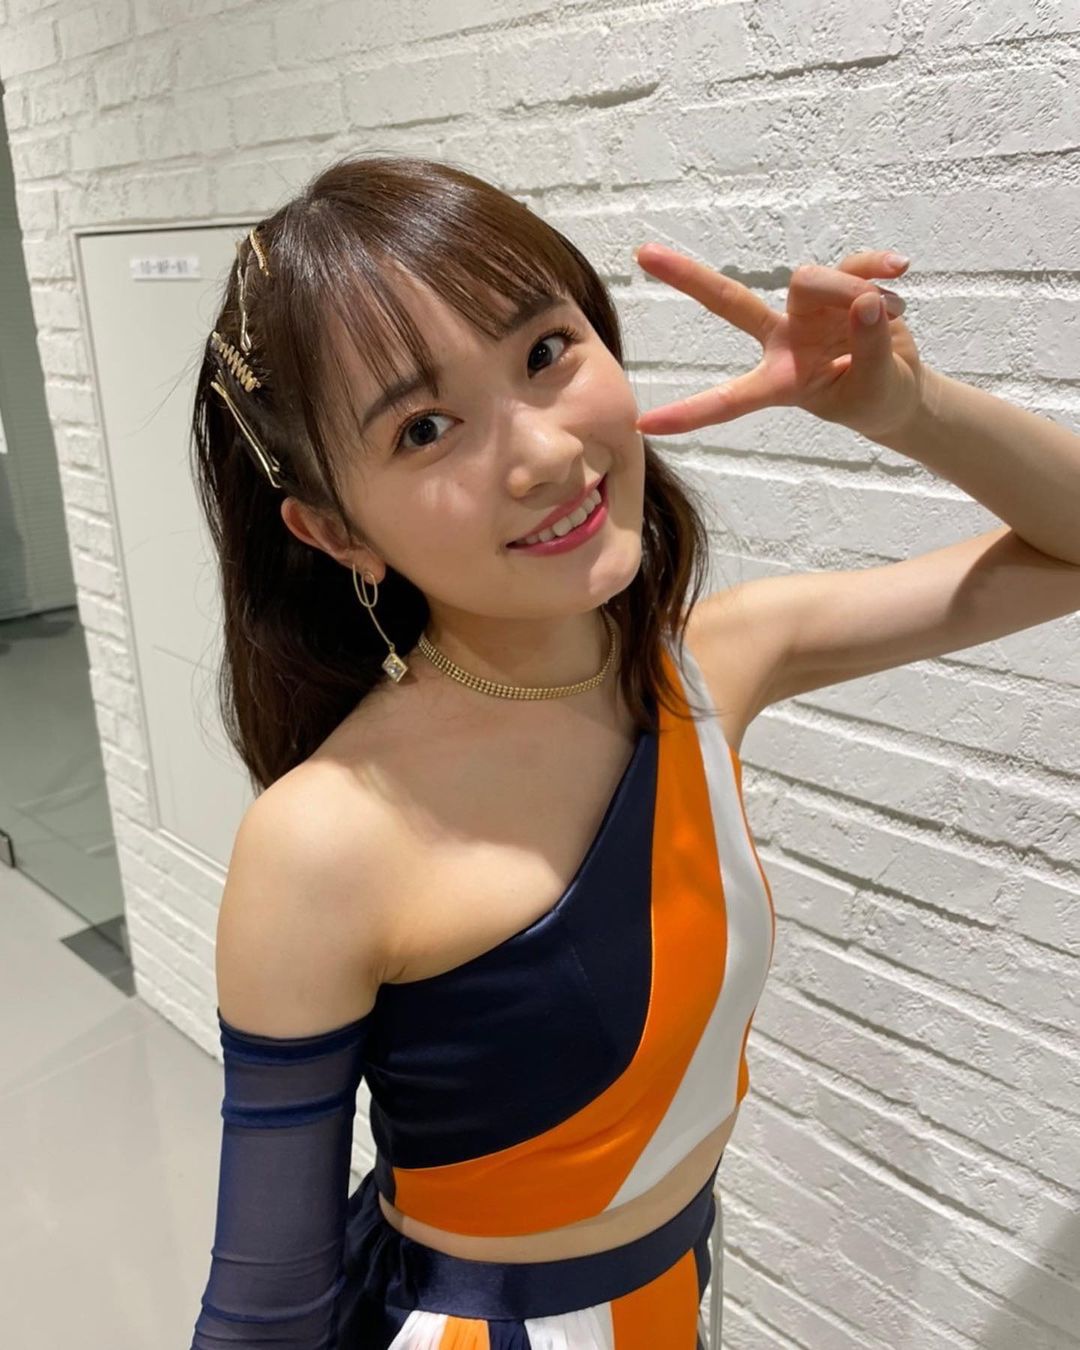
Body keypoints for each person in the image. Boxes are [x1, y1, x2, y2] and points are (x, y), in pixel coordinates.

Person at [187, 153, 1080, 1348]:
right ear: (336, 530)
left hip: (676, 1297)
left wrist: (909, 413)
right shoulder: (327, 836)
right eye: (425, 427)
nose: (548, 454)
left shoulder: (712, 668)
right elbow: (263, 1312)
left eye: (546, 351)